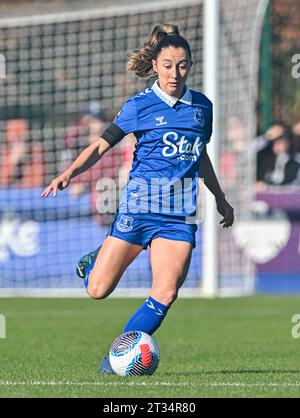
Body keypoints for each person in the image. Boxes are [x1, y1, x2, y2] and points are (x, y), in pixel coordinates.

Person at [41, 23, 234, 375]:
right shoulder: (140, 106)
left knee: (166, 292)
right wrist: (69, 172)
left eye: (182, 65)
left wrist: (219, 197)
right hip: (139, 207)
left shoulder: (202, 107)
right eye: (167, 65)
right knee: (97, 289)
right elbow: (101, 145)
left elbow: (199, 155)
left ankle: (115, 361)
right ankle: (97, 256)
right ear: (156, 66)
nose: (175, 73)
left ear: (190, 65)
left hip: (179, 215)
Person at [0, 119, 45, 188]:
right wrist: (13, 160)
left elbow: (36, 183)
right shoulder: (6, 151)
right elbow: (3, 182)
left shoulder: (35, 151)